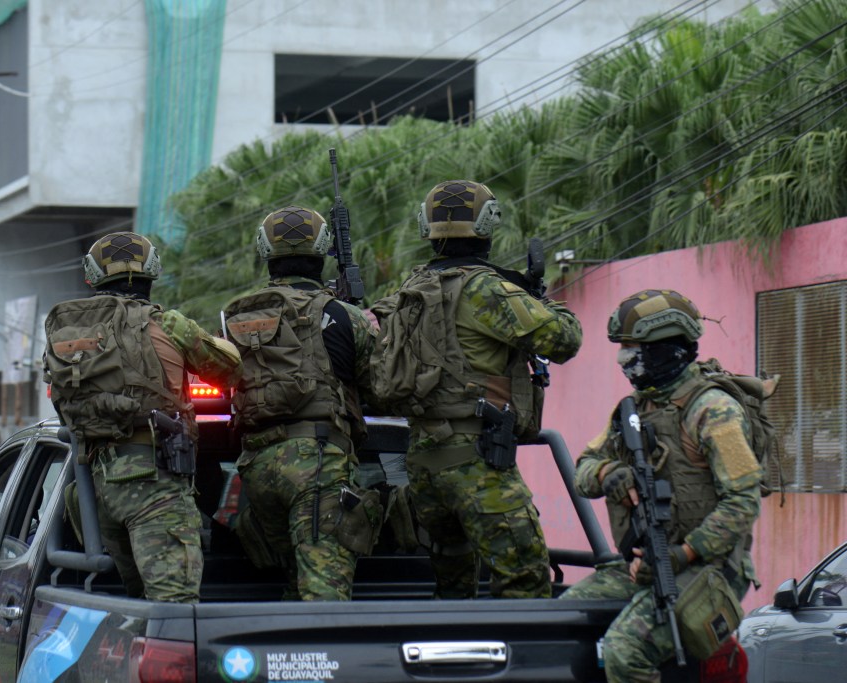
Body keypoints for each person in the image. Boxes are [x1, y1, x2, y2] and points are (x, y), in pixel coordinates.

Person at [378, 179, 583, 599]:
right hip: (477, 461)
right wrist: (543, 300)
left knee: (452, 589)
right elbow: (564, 340)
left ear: (426, 226)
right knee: (525, 583)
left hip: (422, 464)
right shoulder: (487, 289)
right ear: (488, 225)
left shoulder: (407, 290)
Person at [561, 289, 762, 682]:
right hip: (644, 562)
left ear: (665, 350)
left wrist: (683, 554)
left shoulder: (713, 410)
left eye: (634, 348)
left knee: (625, 651)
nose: (624, 359)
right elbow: (582, 470)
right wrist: (609, 474)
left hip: (708, 568)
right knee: (565, 622)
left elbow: (742, 502)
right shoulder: (633, 408)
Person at [44, 231, 242, 603]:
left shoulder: (70, 334)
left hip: (95, 490)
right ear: (153, 273)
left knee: (136, 605)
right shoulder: (168, 325)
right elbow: (229, 371)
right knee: (175, 607)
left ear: (92, 276)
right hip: (157, 486)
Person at [223, 205, 379, 601]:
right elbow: (378, 385)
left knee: (297, 582)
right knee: (324, 594)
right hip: (318, 464)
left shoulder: (235, 317)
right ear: (324, 248)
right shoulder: (345, 316)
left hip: (256, 470)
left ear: (264, 251)